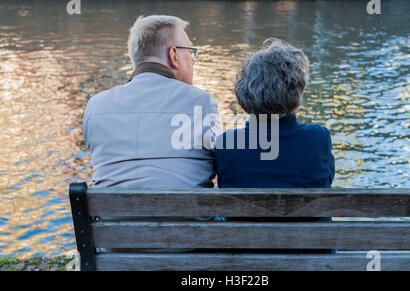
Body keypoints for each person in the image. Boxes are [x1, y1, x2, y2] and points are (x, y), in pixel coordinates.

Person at [213, 39, 335, 252]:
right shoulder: (319, 138)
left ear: (245, 95)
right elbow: (327, 180)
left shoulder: (227, 143)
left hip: (247, 259)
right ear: (296, 96)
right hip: (312, 259)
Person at [82, 15, 221, 189]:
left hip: (111, 216)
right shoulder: (202, 102)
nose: (193, 59)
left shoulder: (96, 106)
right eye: (190, 52)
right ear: (174, 55)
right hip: (187, 215)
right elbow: (220, 166)